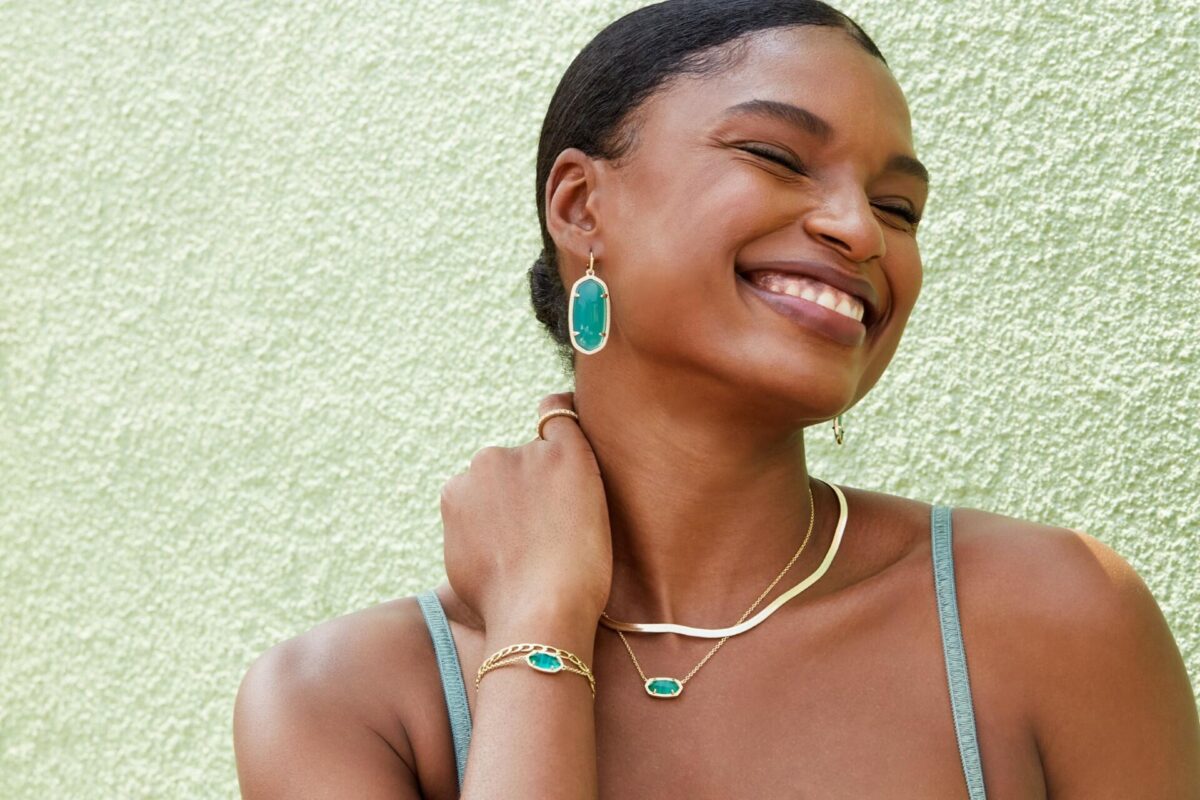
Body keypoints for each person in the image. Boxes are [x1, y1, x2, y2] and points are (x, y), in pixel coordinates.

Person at [232, 2, 1200, 797]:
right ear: (580, 207)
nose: (860, 230)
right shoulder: (341, 703)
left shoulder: (1054, 616)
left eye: (898, 207)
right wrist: (539, 628)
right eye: (778, 157)